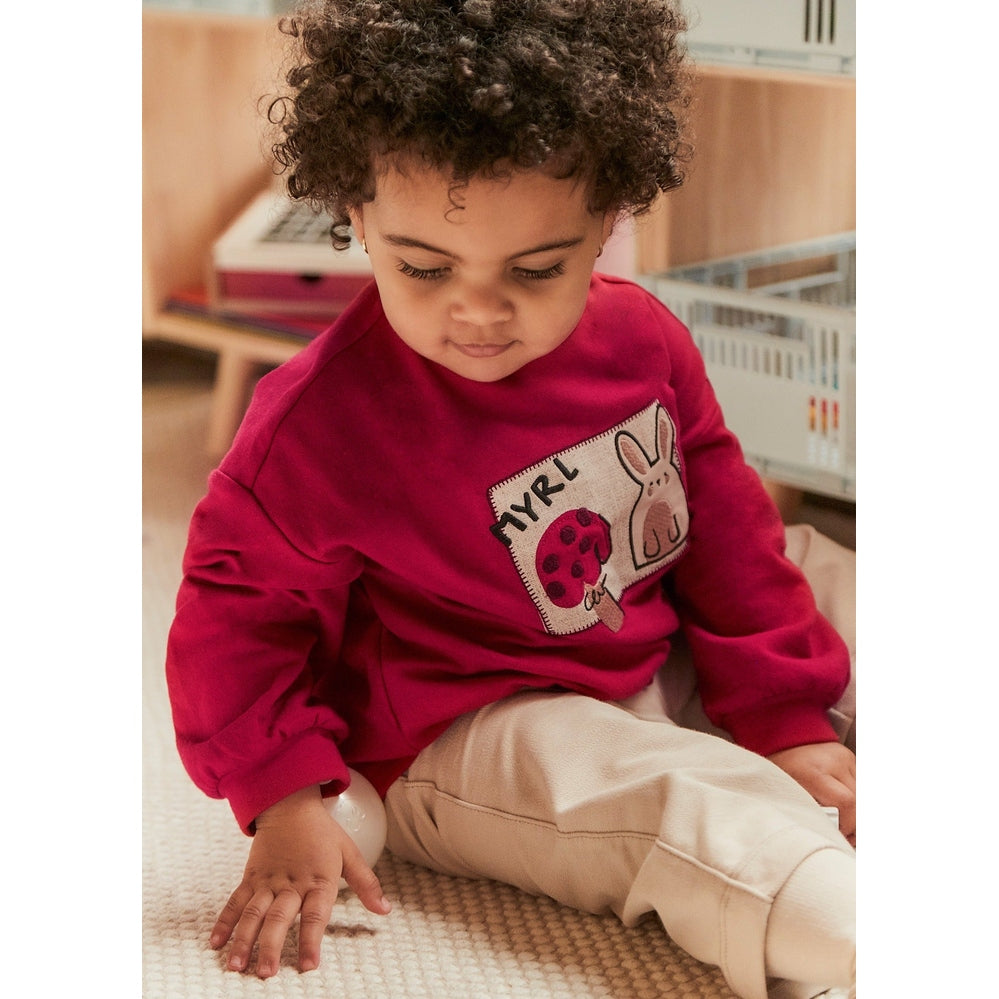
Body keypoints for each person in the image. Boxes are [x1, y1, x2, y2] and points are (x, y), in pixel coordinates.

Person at [165, 2, 857, 996]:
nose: (478, 311)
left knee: (817, 563)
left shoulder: (645, 339)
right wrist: (284, 795)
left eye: (537, 269)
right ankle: (828, 902)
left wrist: (784, 709)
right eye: (423, 266)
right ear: (355, 216)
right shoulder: (311, 429)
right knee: (662, 794)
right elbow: (233, 621)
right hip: (468, 730)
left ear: (607, 221)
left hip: (643, 633)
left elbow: (725, 526)